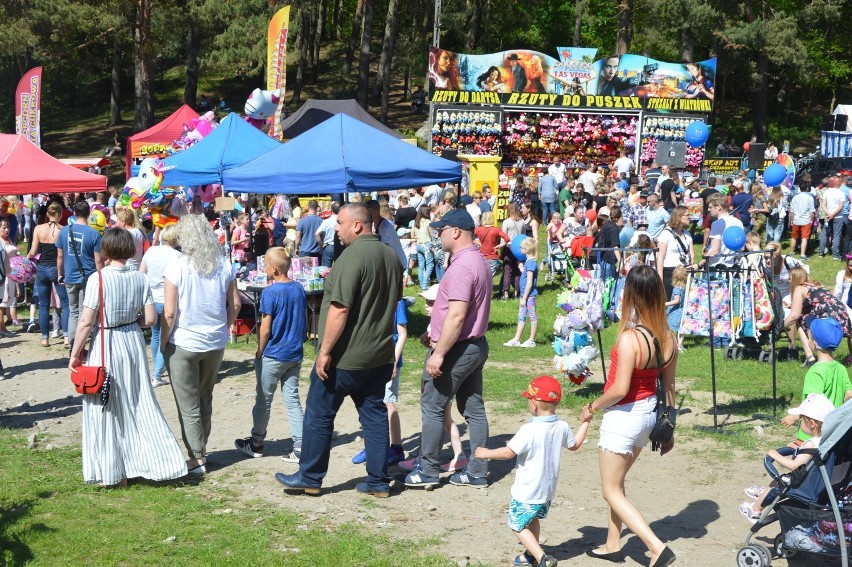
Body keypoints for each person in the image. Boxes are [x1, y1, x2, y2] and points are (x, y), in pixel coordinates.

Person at [275, 203, 402, 498]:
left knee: (319, 414)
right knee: (374, 415)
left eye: (340, 222)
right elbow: (394, 302)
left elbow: (339, 309)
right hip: (379, 353)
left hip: (346, 357)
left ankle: (309, 476)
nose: (336, 227)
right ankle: (379, 481)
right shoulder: (392, 256)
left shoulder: (351, 258)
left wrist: (324, 352)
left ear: (357, 225)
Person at [68, 228, 187, 487]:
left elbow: (86, 322)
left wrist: (75, 354)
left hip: (106, 341)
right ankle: (156, 461)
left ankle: (113, 471)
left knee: (106, 403)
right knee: (138, 401)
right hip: (132, 341)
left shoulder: (97, 280)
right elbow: (150, 319)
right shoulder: (139, 279)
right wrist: (132, 320)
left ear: (107, 250)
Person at [581, 265, 678, 567]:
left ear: (632, 295)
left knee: (610, 489)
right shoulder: (669, 338)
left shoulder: (630, 339)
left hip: (624, 417)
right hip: (649, 415)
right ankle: (612, 543)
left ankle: (655, 547)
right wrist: (670, 428)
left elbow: (619, 389)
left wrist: (592, 407)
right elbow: (671, 387)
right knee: (617, 484)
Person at [403, 208, 492, 489]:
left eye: (441, 229)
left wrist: (439, 353)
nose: (438, 234)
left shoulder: (463, 265)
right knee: (473, 408)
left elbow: (456, 314)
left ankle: (428, 469)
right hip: (473, 345)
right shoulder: (476, 260)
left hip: (458, 348)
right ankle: (477, 471)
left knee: (433, 405)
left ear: (456, 232)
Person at [475, 375, 591, 567]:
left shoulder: (528, 430)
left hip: (527, 490)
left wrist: (486, 452)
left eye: (529, 399)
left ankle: (542, 557)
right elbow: (575, 445)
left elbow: (507, 452)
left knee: (516, 524)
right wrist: (585, 421)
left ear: (535, 404)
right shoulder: (561, 426)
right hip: (547, 491)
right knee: (532, 519)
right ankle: (531, 555)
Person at [161, 214, 240, 476]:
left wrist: (163, 342)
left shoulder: (177, 267)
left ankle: (197, 457)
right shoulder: (224, 265)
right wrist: (225, 327)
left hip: (184, 341)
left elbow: (169, 313)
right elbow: (236, 304)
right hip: (214, 341)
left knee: (189, 403)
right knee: (205, 397)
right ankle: (200, 450)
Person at [234, 247, 307, 462]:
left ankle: (256, 443)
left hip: (274, 354)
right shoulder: (299, 289)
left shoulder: (270, 292)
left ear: (273, 268)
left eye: (265, 264)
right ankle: (301, 446)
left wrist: (259, 351)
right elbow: (303, 318)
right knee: (292, 399)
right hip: (294, 353)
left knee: (264, 400)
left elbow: (265, 328)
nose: (263, 267)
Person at [738, 393, 834, 523]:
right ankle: (761, 494)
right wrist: (798, 449)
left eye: (802, 419)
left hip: (806, 487)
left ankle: (754, 510)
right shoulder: (829, 441)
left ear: (811, 423)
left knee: (777, 483)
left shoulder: (811, 444)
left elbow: (793, 465)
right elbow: (810, 457)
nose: (800, 422)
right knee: (780, 482)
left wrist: (775, 455)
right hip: (821, 483)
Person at [351, 296, 410, 466]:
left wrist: (393, 360)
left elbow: (402, 333)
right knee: (367, 402)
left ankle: (396, 449)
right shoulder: (368, 298)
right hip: (369, 360)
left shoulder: (397, 303)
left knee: (387, 403)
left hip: (388, 361)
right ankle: (372, 446)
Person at [781, 318, 852, 445]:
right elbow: (849, 394)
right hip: (832, 431)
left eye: (809, 337)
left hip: (812, 433)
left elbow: (813, 404)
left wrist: (795, 417)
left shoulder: (815, 371)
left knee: (804, 461)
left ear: (814, 343)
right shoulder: (840, 368)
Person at [57, 201, 104, 353]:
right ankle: (80, 345)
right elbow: (98, 260)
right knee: (85, 313)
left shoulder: (64, 231)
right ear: (89, 214)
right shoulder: (94, 234)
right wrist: (101, 277)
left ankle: (72, 343)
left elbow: (60, 256)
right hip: (88, 278)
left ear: (74, 213)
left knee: (73, 311)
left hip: (70, 276)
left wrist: (60, 274)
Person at [139, 224, 182, 388]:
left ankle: (156, 369)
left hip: (151, 300)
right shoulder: (178, 257)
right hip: (167, 301)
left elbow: (141, 273)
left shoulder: (151, 251)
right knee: (166, 338)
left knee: (156, 335)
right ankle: (157, 374)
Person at [28, 201, 69, 347]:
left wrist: (27, 258)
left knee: (44, 304)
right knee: (65, 304)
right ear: (60, 214)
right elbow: (65, 253)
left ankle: (45, 338)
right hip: (58, 269)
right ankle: (65, 337)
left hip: (43, 269)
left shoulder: (38, 229)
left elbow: (33, 252)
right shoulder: (64, 230)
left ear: (47, 214)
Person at [504, 238, 539, 348]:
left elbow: (529, 283)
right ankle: (517, 339)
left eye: (521, 248)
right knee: (521, 316)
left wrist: (524, 298)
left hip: (529, 296)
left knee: (532, 317)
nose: (519, 250)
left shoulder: (532, 262)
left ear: (527, 249)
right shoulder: (528, 262)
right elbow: (525, 276)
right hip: (524, 295)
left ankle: (532, 340)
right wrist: (521, 268)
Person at [656, 206, 694, 299]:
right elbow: (660, 258)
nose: (690, 217)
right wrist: (660, 278)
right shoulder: (665, 234)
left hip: (684, 271)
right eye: (687, 215)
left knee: (683, 301)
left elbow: (691, 253)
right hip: (670, 273)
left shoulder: (687, 234)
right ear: (679, 217)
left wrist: (690, 267)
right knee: (668, 300)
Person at [704, 193, 744, 268]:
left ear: (719, 207)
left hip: (716, 266)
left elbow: (715, 250)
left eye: (710, 207)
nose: (708, 209)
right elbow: (741, 248)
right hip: (731, 265)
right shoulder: (738, 222)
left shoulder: (717, 224)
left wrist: (701, 263)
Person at [501, 203, 526, 300]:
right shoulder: (522, 222)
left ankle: (506, 293)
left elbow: (503, 237)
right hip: (519, 247)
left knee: (507, 270)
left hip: (509, 246)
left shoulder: (506, 222)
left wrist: (501, 250)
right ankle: (517, 292)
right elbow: (523, 235)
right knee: (517, 271)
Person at [474, 211, 509, 277]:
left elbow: (468, 236)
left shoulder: (478, 229)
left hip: (481, 256)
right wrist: (500, 245)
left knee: (482, 276)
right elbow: (507, 238)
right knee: (489, 277)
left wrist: (476, 242)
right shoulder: (496, 230)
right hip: (493, 256)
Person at [819, 175, 845, 259]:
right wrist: (833, 214)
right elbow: (840, 206)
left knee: (824, 234)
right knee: (837, 235)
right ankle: (835, 254)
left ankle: (821, 252)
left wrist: (829, 213)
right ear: (840, 184)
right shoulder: (841, 193)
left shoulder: (827, 192)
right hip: (838, 216)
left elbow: (823, 205)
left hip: (828, 215)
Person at [789, 185, 816, 260]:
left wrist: (791, 220)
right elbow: (812, 211)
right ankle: (802, 254)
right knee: (804, 238)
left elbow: (791, 211)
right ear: (807, 189)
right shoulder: (809, 198)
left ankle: (791, 252)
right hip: (806, 220)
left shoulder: (795, 198)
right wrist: (811, 220)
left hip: (796, 220)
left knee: (794, 237)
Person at [666, 266, 688, 351]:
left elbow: (676, 301)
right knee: (681, 330)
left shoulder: (676, 289)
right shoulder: (684, 288)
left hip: (675, 312)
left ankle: (672, 344)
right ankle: (680, 345)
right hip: (683, 311)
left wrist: (666, 303)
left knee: (670, 329)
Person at [315, 202, 340, 267]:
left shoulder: (327, 221)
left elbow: (317, 234)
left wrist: (321, 245)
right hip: (339, 246)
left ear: (331, 210)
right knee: (339, 268)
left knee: (325, 270)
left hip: (329, 247)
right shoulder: (341, 221)